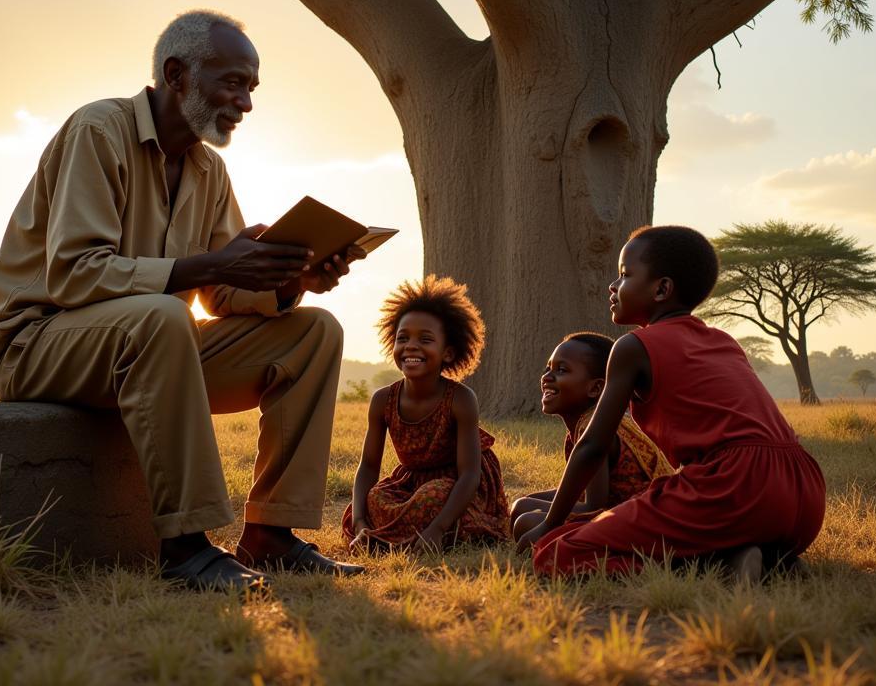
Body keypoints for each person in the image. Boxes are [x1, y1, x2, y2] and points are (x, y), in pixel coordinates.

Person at [0, 9, 365, 593]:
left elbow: (221, 291)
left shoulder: (210, 169)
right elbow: (75, 274)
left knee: (315, 332)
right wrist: (213, 264)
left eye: (251, 88)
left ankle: (272, 534)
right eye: (232, 82)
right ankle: (186, 547)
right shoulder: (97, 131)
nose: (246, 103)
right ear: (176, 74)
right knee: (161, 316)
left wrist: (291, 282)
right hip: (37, 343)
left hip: (145, 349)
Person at [517, 225, 826, 582]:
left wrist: (548, 525)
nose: (613, 287)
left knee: (558, 552)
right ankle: (767, 558)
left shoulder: (633, 347)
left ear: (662, 289)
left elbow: (593, 445)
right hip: (803, 493)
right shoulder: (724, 341)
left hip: (731, 486)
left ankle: (719, 566)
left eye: (624, 275)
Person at [342, 275, 509, 552]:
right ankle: (383, 534)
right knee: (375, 498)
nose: (411, 346)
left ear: (448, 352)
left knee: (434, 497)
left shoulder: (461, 399)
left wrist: (436, 529)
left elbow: (470, 474)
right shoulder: (383, 400)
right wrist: (360, 521)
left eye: (426, 339)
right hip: (413, 483)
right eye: (402, 338)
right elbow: (369, 467)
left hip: (459, 484)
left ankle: (431, 532)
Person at [509, 332, 673, 542]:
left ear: (596, 388)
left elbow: (593, 505)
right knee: (523, 504)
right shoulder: (586, 424)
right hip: (631, 511)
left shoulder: (596, 428)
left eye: (561, 370)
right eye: (548, 368)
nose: (547, 377)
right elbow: (581, 493)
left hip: (647, 522)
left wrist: (545, 520)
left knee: (525, 521)